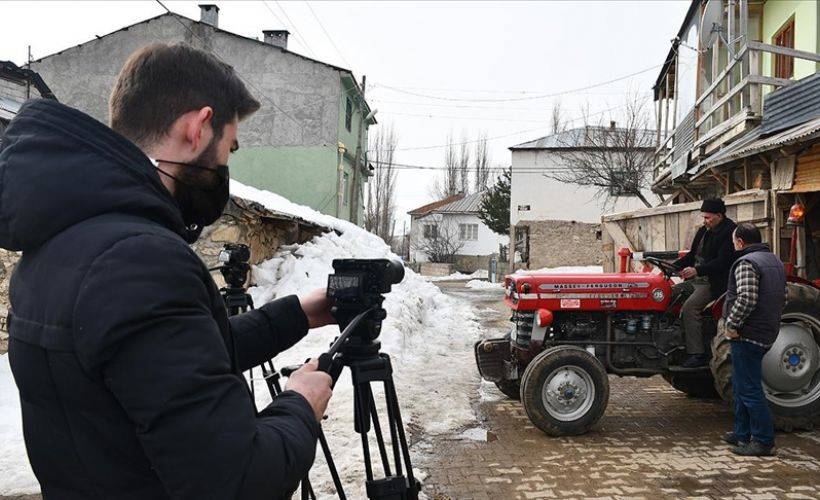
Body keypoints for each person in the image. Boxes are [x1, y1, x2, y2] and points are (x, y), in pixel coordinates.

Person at [0, 43, 334, 498]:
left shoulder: (61, 240)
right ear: (197, 128)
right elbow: (239, 481)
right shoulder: (140, 261)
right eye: (228, 147)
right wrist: (301, 402)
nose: (225, 165)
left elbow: (173, 365)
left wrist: (300, 313)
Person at [721, 223, 786, 456]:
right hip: (765, 329)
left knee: (749, 388)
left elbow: (747, 298)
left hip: (748, 333)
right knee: (740, 384)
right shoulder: (774, 261)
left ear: (740, 241)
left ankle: (763, 442)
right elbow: (782, 296)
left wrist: (732, 324)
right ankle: (741, 433)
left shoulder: (747, 262)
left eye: (733, 241)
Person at [672, 198, 737, 368]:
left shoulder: (730, 232)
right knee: (669, 295)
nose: (705, 221)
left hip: (714, 282)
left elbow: (722, 262)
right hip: (697, 279)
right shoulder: (704, 231)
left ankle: (696, 354)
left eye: (708, 217)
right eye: (704, 217)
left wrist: (697, 270)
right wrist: (673, 266)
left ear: (719, 215)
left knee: (690, 308)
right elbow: (692, 255)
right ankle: (673, 344)